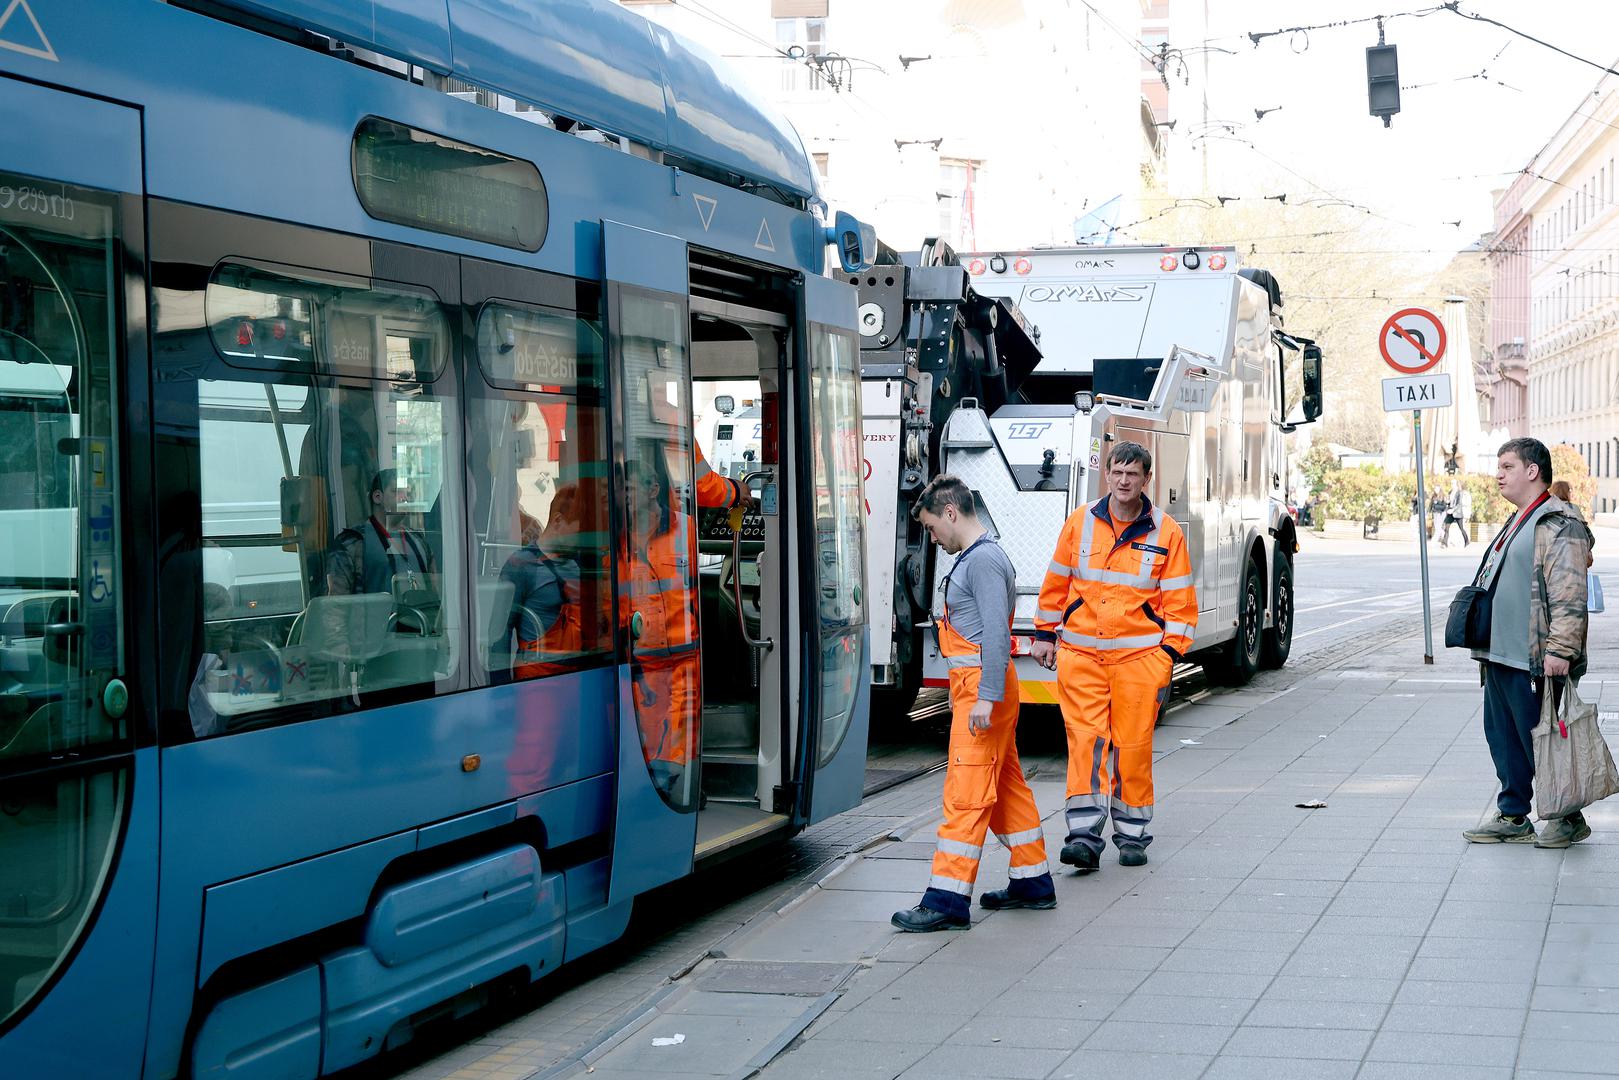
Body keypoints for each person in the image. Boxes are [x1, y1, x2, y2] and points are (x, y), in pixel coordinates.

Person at [892, 475, 1055, 931]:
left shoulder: (982, 562)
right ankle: (1032, 879)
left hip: (981, 690)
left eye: (930, 527)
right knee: (1006, 786)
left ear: (950, 513)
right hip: (984, 687)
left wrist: (985, 698)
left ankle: (946, 899)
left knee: (965, 794)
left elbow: (997, 634)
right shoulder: (978, 558)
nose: (932, 537)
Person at [1032, 442, 1197, 870]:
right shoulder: (1080, 523)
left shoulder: (1166, 532)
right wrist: (1045, 635)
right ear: (1107, 475)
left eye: (1133, 474)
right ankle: (1083, 837)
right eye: (1117, 473)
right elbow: (1055, 583)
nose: (1124, 481)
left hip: (1140, 661)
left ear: (1147, 480)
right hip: (1082, 655)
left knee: (1132, 748)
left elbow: (1180, 603)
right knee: (1085, 745)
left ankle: (1132, 836)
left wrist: (1166, 657)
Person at [1463, 438, 1594, 847]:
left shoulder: (1558, 523)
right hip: (1499, 654)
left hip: (1535, 657)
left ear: (1532, 471)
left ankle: (1568, 817)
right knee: (1504, 738)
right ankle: (1514, 815)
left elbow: (1570, 593)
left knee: (1545, 741)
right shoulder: (1517, 520)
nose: (1498, 474)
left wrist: (1560, 650)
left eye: (1507, 466)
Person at [621, 456, 701, 800]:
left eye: (630, 488)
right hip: (644, 656)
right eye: (620, 489)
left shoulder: (685, 528)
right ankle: (659, 792)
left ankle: (680, 786)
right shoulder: (616, 538)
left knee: (683, 724)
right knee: (650, 729)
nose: (624, 495)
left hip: (684, 652)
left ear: (653, 490)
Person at [1440, 482, 1471, 549]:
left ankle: (1467, 541)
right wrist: (1447, 503)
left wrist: (1452, 510)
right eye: (1451, 483)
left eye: (1453, 484)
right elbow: (1449, 502)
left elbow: (1459, 504)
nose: (1452, 485)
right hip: (1450, 512)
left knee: (1461, 528)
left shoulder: (1459, 493)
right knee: (1446, 527)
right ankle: (1444, 543)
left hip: (1457, 513)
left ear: (1456, 485)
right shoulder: (1450, 492)